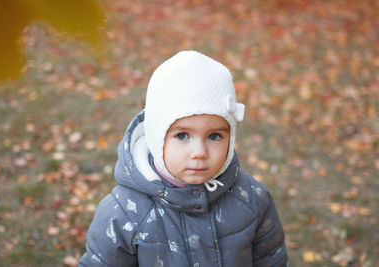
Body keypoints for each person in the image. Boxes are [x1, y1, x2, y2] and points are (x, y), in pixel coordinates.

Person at [79, 51, 288, 266]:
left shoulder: (252, 199)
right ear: (156, 137)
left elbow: (271, 260)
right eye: (182, 135)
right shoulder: (123, 214)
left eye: (214, 136)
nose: (199, 152)